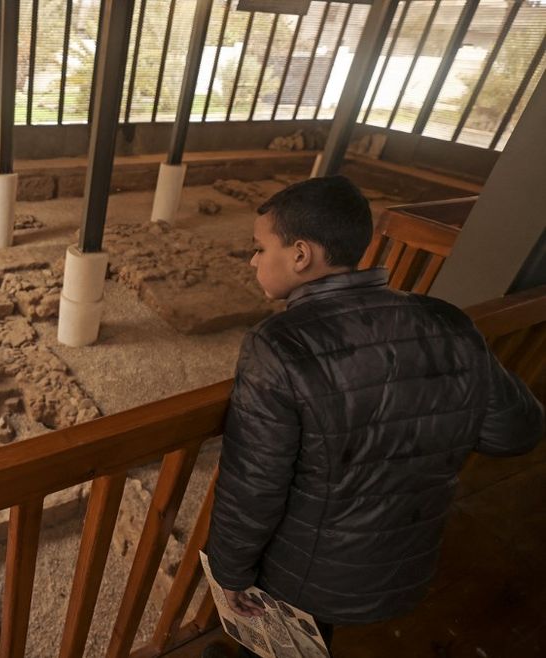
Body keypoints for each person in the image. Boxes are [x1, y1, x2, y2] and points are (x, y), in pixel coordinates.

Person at [204, 175, 544, 655]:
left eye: (260, 248)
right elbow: (517, 431)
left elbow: (255, 483)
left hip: (308, 573)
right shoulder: (446, 321)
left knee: (287, 641)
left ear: (300, 256)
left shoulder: (279, 345)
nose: (254, 260)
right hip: (405, 561)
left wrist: (230, 570)